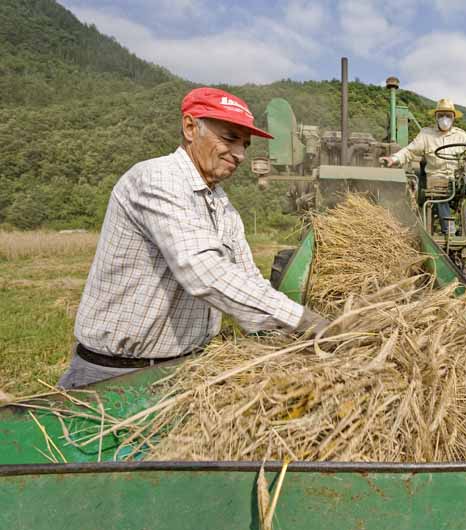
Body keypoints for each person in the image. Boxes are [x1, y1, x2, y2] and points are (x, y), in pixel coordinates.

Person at [58, 87, 328, 389]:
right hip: (114, 376)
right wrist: (305, 320)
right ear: (190, 127)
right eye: (229, 138)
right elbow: (204, 271)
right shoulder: (156, 179)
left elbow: (247, 281)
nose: (239, 154)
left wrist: (295, 343)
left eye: (245, 145)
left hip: (184, 369)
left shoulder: (223, 208)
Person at [380, 98, 466, 235]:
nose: (445, 119)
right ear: (436, 117)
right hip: (436, 179)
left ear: (453, 117)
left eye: (448, 116)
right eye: (441, 115)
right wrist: (394, 158)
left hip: (456, 178)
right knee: (439, 190)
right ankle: (448, 230)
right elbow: (409, 151)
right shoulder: (426, 135)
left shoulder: (460, 135)